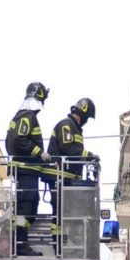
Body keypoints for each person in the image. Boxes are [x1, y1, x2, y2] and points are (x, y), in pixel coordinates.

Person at [44, 98, 98, 249]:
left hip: (66, 177)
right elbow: (67, 148)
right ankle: (58, 244)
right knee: (60, 210)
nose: (87, 121)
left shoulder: (75, 128)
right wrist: (88, 155)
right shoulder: (66, 125)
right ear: (83, 114)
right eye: (87, 118)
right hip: (58, 176)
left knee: (67, 211)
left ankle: (64, 242)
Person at [5, 81, 50, 256]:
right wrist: (39, 152)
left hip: (28, 171)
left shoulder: (21, 115)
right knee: (25, 207)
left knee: (31, 205)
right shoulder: (27, 116)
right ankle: (20, 244)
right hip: (26, 171)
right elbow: (18, 140)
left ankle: (20, 241)